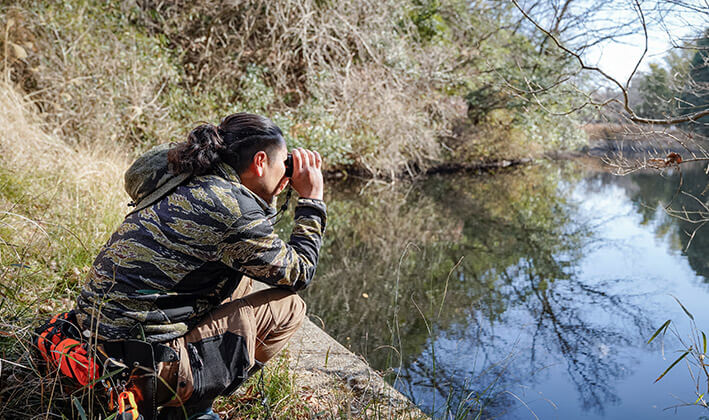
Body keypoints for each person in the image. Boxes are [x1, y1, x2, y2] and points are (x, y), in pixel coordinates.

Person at [74, 113, 326, 419]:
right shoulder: (234, 210)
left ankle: (182, 385)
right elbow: (299, 272)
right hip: (138, 370)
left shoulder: (184, 173)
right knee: (289, 308)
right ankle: (189, 407)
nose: (285, 172)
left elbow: (254, 250)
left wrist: (267, 193)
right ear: (260, 161)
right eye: (282, 163)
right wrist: (312, 200)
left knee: (243, 280)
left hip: (90, 340)